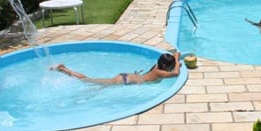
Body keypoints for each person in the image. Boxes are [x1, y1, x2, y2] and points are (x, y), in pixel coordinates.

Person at [50, 52, 181, 85]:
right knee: (87, 80)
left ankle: (64, 69)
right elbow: (175, 73)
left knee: (92, 82)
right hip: (124, 81)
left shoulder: (156, 66)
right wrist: (177, 57)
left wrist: (175, 59)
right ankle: (63, 69)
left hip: (127, 77)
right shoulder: (160, 73)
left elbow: (172, 68)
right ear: (165, 66)